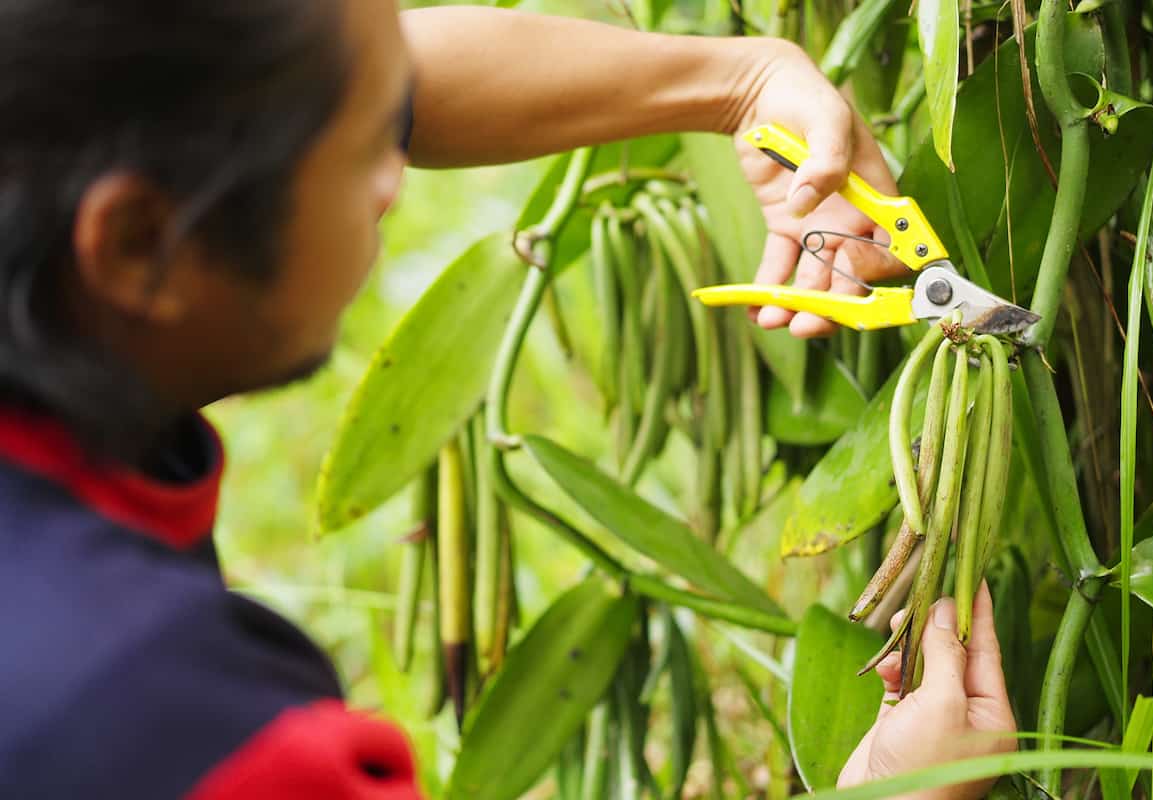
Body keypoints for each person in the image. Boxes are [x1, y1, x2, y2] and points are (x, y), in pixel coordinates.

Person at [0, 1, 1015, 797]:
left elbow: (397, 71)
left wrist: (748, 80)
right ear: (137, 244)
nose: (398, 172)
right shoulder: (183, 737)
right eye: (365, 146)